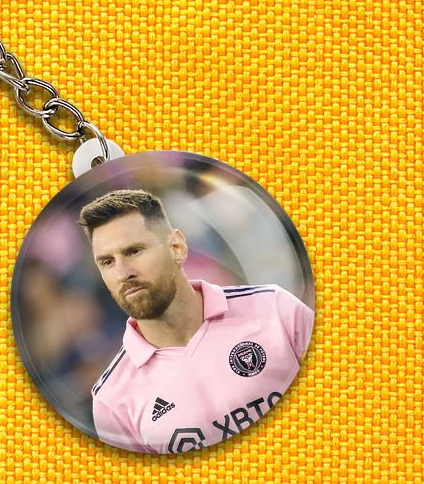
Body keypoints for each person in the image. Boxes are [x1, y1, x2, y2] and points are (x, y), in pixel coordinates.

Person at [78, 188, 314, 453]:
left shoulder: (274, 309)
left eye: (134, 251)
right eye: (107, 262)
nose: (123, 273)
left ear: (176, 248)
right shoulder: (111, 401)